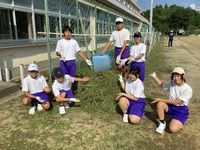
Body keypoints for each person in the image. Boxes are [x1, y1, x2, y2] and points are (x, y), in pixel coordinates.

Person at [149, 67, 192, 133]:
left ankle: (180, 120)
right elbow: (162, 85)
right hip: (171, 106)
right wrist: (154, 76)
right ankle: (162, 123)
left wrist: (161, 99)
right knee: (160, 104)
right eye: (174, 76)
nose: (176, 78)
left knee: (172, 129)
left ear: (183, 76)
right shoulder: (172, 84)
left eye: (178, 76)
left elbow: (176, 102)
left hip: (181, 109)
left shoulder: (188, 89)